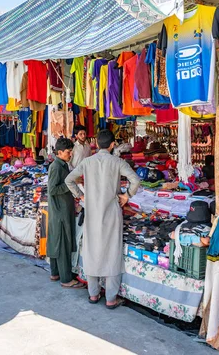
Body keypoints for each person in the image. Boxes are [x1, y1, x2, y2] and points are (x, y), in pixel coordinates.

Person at [65, 130, 141, 309]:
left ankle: (93, 294)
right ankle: (111, 298)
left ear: (96, 144)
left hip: (92, 211)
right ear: (113, 144)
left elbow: (69, 180)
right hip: (111, 212)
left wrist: (80, 196)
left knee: (92, 250)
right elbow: (135, 180)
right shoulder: (117, 162)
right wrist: (126, 196)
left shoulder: (87, 162)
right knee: (112, 252)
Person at [47, 138, 85, 289]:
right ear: (60, 152)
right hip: (60, 210)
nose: (70, 154)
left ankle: (55, 273)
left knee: (57, 241)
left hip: (61, 209)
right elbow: (53, 189)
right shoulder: (56, 166)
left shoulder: (61, 165)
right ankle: (66, 278)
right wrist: (70, 185)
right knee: (62, 244)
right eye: (69, 152)